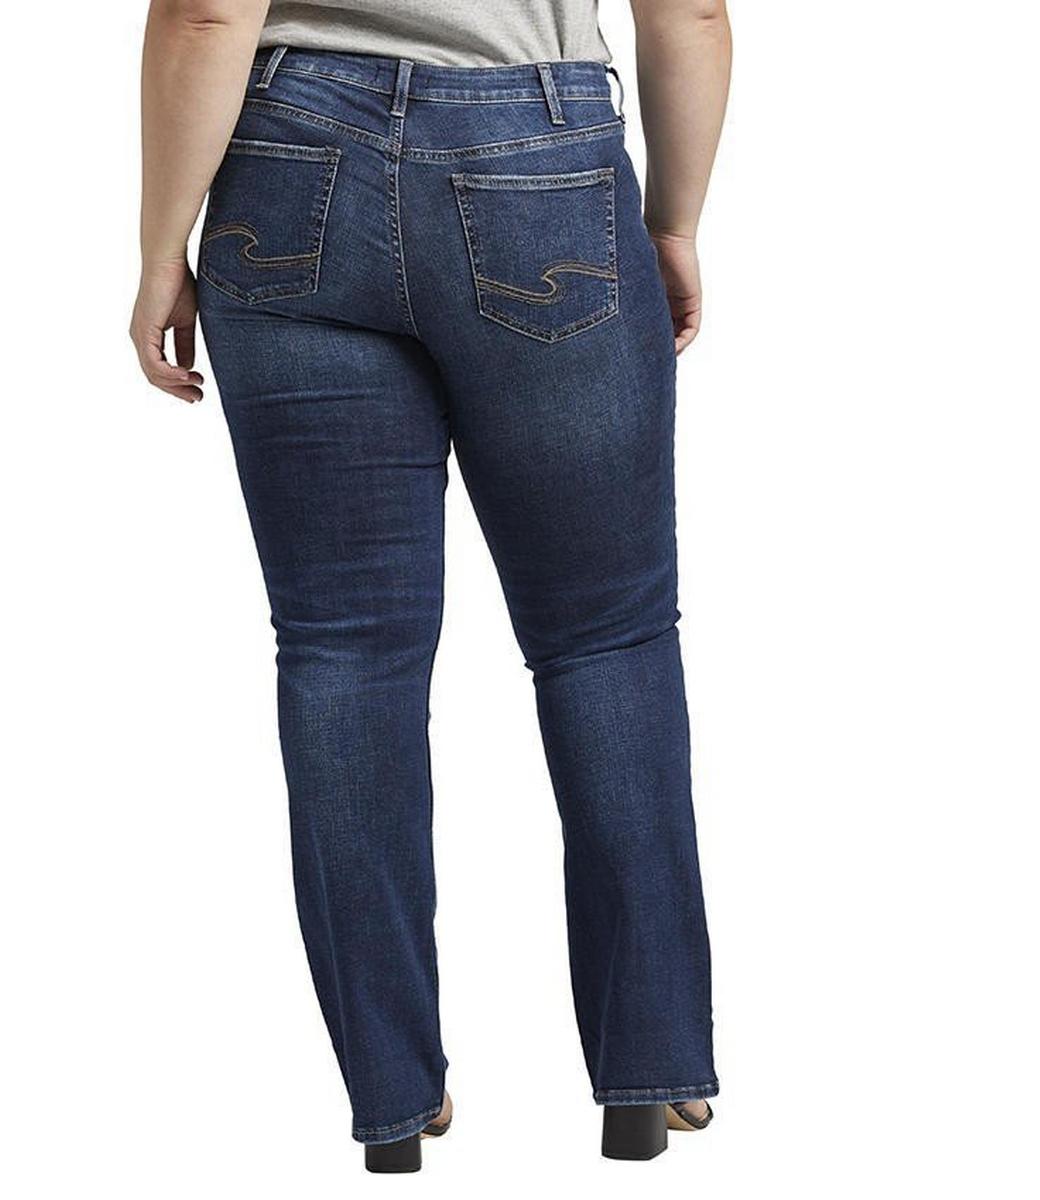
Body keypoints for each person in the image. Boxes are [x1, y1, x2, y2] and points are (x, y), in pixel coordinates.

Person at [129, 0, 731, 1174]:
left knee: (345, 648)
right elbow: (692, 13)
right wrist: (673, 222)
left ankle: (394, 1101)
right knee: (606, 640)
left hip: (286, 165)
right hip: (542, 167)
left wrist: (162, 248)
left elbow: (206, 13)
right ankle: (650, 1074)